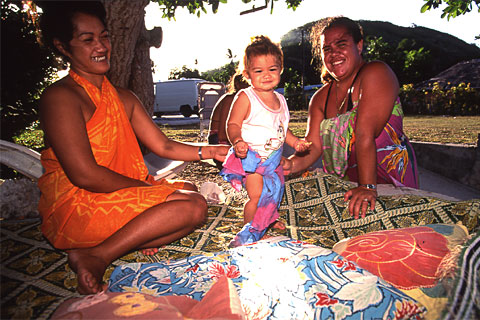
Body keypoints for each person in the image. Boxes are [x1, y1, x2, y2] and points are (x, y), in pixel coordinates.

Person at [35, 1, 229, 295]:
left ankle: (140, 233)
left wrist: (210, 151)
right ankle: (96, 255)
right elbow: (85, 175)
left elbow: (162, 145)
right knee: (193, 205)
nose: (101, 46)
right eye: (87, 40)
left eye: (104, 36)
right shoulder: (59, 97)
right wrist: (146, 191)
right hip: (78, 206)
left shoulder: (123, 98)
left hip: (115, 192)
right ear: (63, 47)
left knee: (187, 187)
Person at [283, 16, 418, 219]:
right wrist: (289, 165)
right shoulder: (320, 98)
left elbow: (364, 133)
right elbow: (314, 147)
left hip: (390, 182)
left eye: (341, 44)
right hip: (350, 186)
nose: (333, 53)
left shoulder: (376, 73)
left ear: (359, 45)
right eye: (326, 49)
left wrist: (367, 186)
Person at [221, 35, 311, 247]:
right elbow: (232, 124)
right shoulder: (246, 97)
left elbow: (281, 129)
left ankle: (267, 220)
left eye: (272, 69)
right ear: (247, 74)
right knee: (258, 195)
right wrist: (237, 140)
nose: (266, 75)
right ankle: (251, 230)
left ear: (280, 70)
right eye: (258, 71)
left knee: (274, 191)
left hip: (273, 162)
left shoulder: (281, 99)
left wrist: (295, 142)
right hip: (252, 160)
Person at [207, 72, 249, 168]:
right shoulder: (230, 99)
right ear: (238, 84)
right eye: (247, 82)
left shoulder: (246, 100)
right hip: (219, 140)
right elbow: (222, 134)